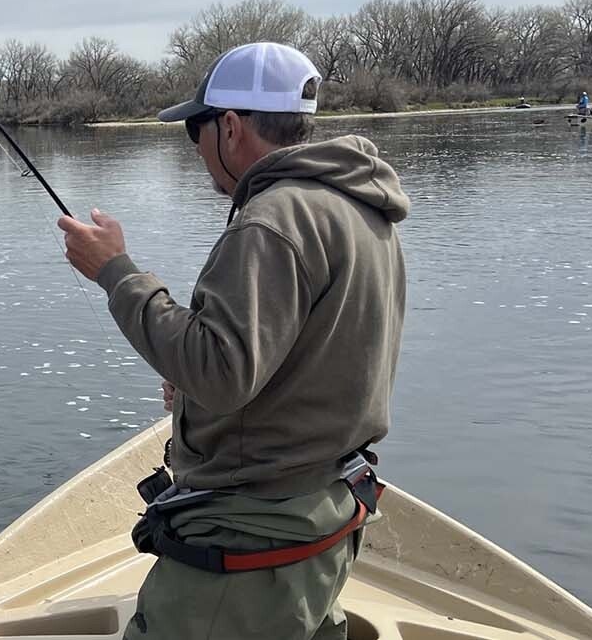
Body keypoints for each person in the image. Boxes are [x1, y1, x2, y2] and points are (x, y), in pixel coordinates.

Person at [57, 42, 409, 640]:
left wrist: (115, 270)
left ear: (229, 126)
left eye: (195, 128)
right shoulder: (359, 208)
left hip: (255, 535)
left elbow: (222, 373)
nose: (195, 148)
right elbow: (310, 359)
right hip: (324, 515)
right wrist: (196, 387)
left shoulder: (271, 222)